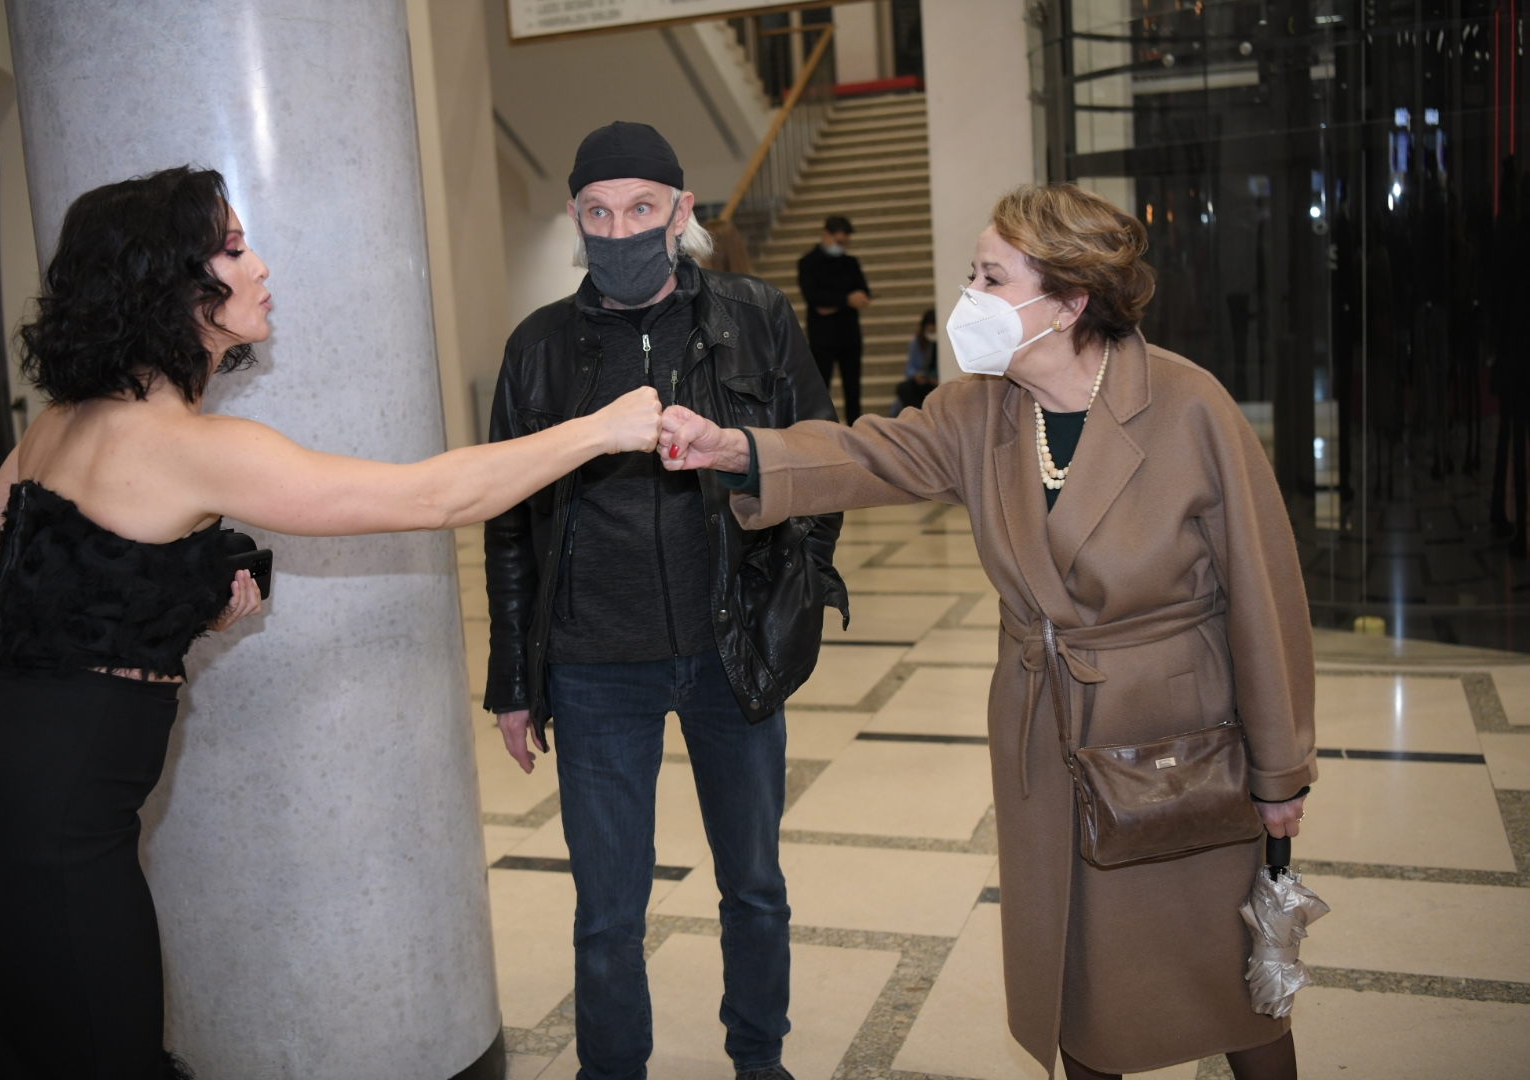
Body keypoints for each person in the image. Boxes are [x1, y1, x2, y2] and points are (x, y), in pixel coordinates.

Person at [0, 166, 662, 1080]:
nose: (260, 264)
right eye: (231, 249)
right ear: (170, 285)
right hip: (53, 824)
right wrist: (600, 429)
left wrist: (168, 588)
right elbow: (431, 496)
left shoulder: (62, 423)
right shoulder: (195, 448)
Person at [659, 184, 1315, 1080]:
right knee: (1079, 967)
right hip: (1047, 734)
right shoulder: (983, 411)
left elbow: (1264, 599)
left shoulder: (1189, 406)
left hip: (1180, 739)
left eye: (991, 277)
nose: (969, 296)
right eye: (972, 273)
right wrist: (737, 449)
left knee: (1225, 975)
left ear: (1071, 300)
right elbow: (867, 452)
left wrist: (1279, 774)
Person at [484, 122, 844, 1080]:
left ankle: (759, 1059)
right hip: (596, 665)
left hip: (730, 652)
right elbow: (510, 525)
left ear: (683, 212)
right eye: (597, 212)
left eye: (641, 208)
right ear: (574, 218)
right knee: (607, 912)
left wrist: (788, 598)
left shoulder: (757, 316)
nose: (620, 229)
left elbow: (824, 461)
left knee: (754, 886)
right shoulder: (538, 351)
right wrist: (514, 680)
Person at [796, 214, 870, 423]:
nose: (841, 246)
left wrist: (834, 303)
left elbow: (864, 293)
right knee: (821, 387)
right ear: (825, 234)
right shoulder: (807, 263)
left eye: (845, 243)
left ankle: (856, 430)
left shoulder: (850, 263)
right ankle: (820, 429)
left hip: (849, 334)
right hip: (823, 336)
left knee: (853, 389)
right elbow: (815, 300)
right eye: (838, 242)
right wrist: (846, 299)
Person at [889, 308, 938, 415]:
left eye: (934, 331)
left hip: (938, 383)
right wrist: (916, 376)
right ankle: (919, 417)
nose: (931, 334)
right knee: (903, 388)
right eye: (929, 331)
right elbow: (909, 368)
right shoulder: (917, 342)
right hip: (923, 382)